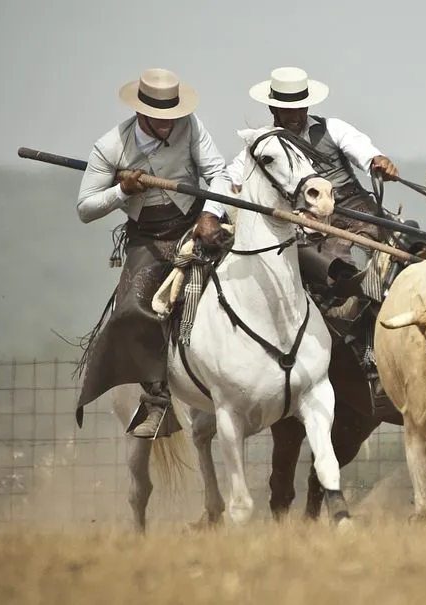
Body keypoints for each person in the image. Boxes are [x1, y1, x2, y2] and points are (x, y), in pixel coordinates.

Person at [73, 67, 233, 439]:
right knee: (132, 309)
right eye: (159, 117)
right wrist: (122, 192)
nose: (167, 123)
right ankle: (157, 399)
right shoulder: (110, 146)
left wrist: (210, 214)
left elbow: (219, 174)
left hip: (196, 224)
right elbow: (85, 208)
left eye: (171, 115)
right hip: (147, 236)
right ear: (140, 111)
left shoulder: (191, 126)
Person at [226, 66, 400, 385]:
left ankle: (379, 332)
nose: (295, 115)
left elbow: (363, 150)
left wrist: (377, 160)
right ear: (273, 108)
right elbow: (232, 176)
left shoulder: (333, 129)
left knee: (399, 254)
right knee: (341, 270)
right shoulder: (265, 144)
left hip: (356, 211)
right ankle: (354, 341)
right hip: (308, 225)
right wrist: (222, 200)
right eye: (287, 109)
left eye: (300, 107)